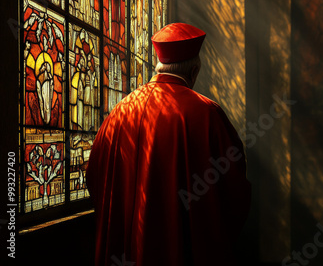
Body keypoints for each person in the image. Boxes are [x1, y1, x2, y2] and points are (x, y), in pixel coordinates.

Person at [86, 23, 251, 266]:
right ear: (194, 72)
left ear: (159, 66)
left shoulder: (119, 112)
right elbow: (234, 190)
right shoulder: (207, 114)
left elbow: (94, 178)